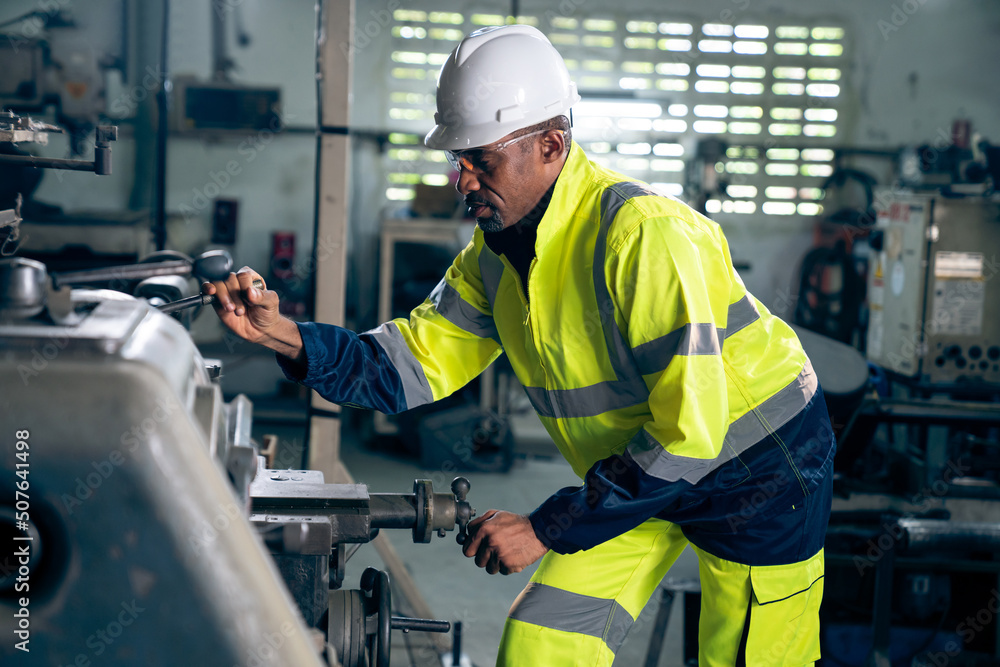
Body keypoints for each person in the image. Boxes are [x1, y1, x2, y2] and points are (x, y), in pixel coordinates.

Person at [204, 24, 836, 667]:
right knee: (541, 643)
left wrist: (544, 528)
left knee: (747, 656)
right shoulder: (495, 258)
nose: (463, 181)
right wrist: (281, 335)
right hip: (635, 470)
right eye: (459, 161)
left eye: (483, 160)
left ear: (551, 146)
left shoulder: (644, 239)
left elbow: (688, 437)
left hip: (757, 467)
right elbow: (401, 369)